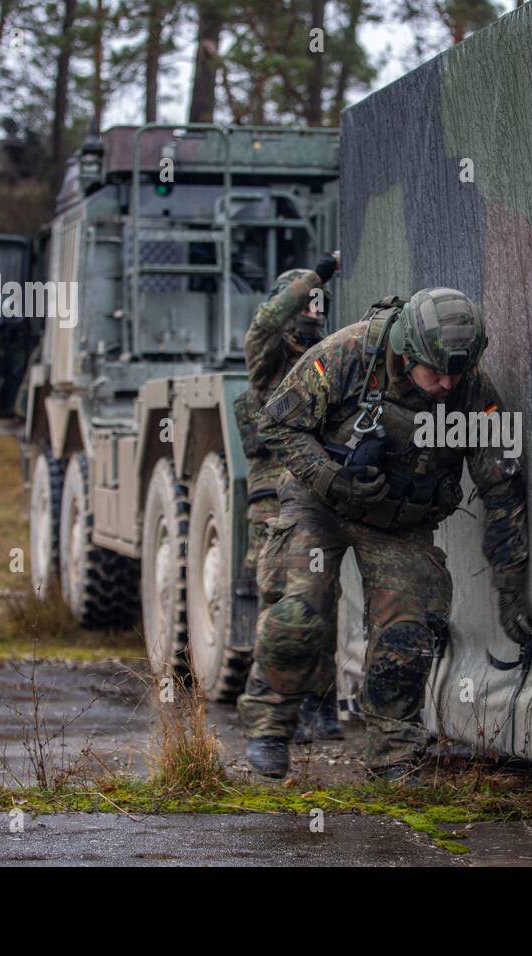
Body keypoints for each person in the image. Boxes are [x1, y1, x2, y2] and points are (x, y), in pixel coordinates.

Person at [240, 286, 532, 782]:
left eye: (454, 373)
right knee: (300, 609)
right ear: (407, 352)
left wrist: (511, 586)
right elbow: (277, 425)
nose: (444, 383)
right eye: (434, 371)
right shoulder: (348, 354)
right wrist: (329, 476)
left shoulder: (472, 393)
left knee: (408, 630)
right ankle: (270, 725)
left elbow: (502, 489)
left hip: (400, 521)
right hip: (321, 503)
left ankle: (392, 753)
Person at [233, 253, 344, 744]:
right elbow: (267, 320)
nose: (311, 315)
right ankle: (280, 706)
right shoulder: (267, 357)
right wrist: (318, 271)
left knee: (322, 601)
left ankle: (319, 706)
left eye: (319, 307)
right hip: (271, 502)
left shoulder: (329, 358)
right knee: (279, 604)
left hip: (313, 497)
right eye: (305, 304)